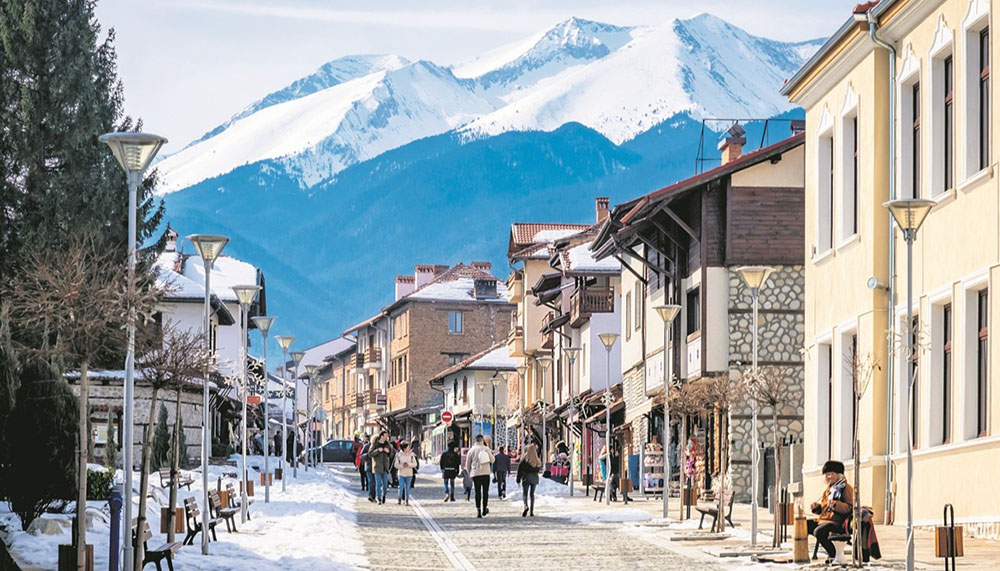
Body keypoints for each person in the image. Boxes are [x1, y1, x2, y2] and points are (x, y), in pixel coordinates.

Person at [808, 460, 854, 563]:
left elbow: (850, 508)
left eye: (832, 474)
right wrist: (817, 507)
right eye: (827, 474)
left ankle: (833, 554)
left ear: (839, 475)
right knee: (805, 525)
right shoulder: (829, 490)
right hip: (825, 520)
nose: (829, 477)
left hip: (838, 522)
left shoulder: (845, 488)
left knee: (819, 531)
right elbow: (824, 508)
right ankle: (802, 553)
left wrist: (836, 505)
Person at [465, 435, 494, 518]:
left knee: (477, 492)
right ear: (482, 440)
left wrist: (470, 473)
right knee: (485, 492)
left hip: (475, 473)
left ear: (475, 440)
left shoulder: (471, 450)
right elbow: (493, 460)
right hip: (485, 473)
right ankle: (484, 508)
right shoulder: (486, 449)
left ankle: (478, 510)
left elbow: (468, 464)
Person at [516, 443, 542, 517]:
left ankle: (525, 506)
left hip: (526, 477)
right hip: (534, 478)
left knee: (525, 493)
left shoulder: (524, 459)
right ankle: (531, 511)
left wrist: (518, 479)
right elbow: (538, 469)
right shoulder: (536, 459)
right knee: (532, 494)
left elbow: (519, 469)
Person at [370, 432, 393, 504]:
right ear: (381, 436)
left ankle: (384, 495)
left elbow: (392, 454)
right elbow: (370, 453)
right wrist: (377, 450)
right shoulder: (375, 444)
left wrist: (388, 452)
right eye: (385, 436)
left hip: (385, 467)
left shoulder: (387, 444)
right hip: (377, 467)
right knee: (378, 483)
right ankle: (378, 498)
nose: (387, 437)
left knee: (385, 485)